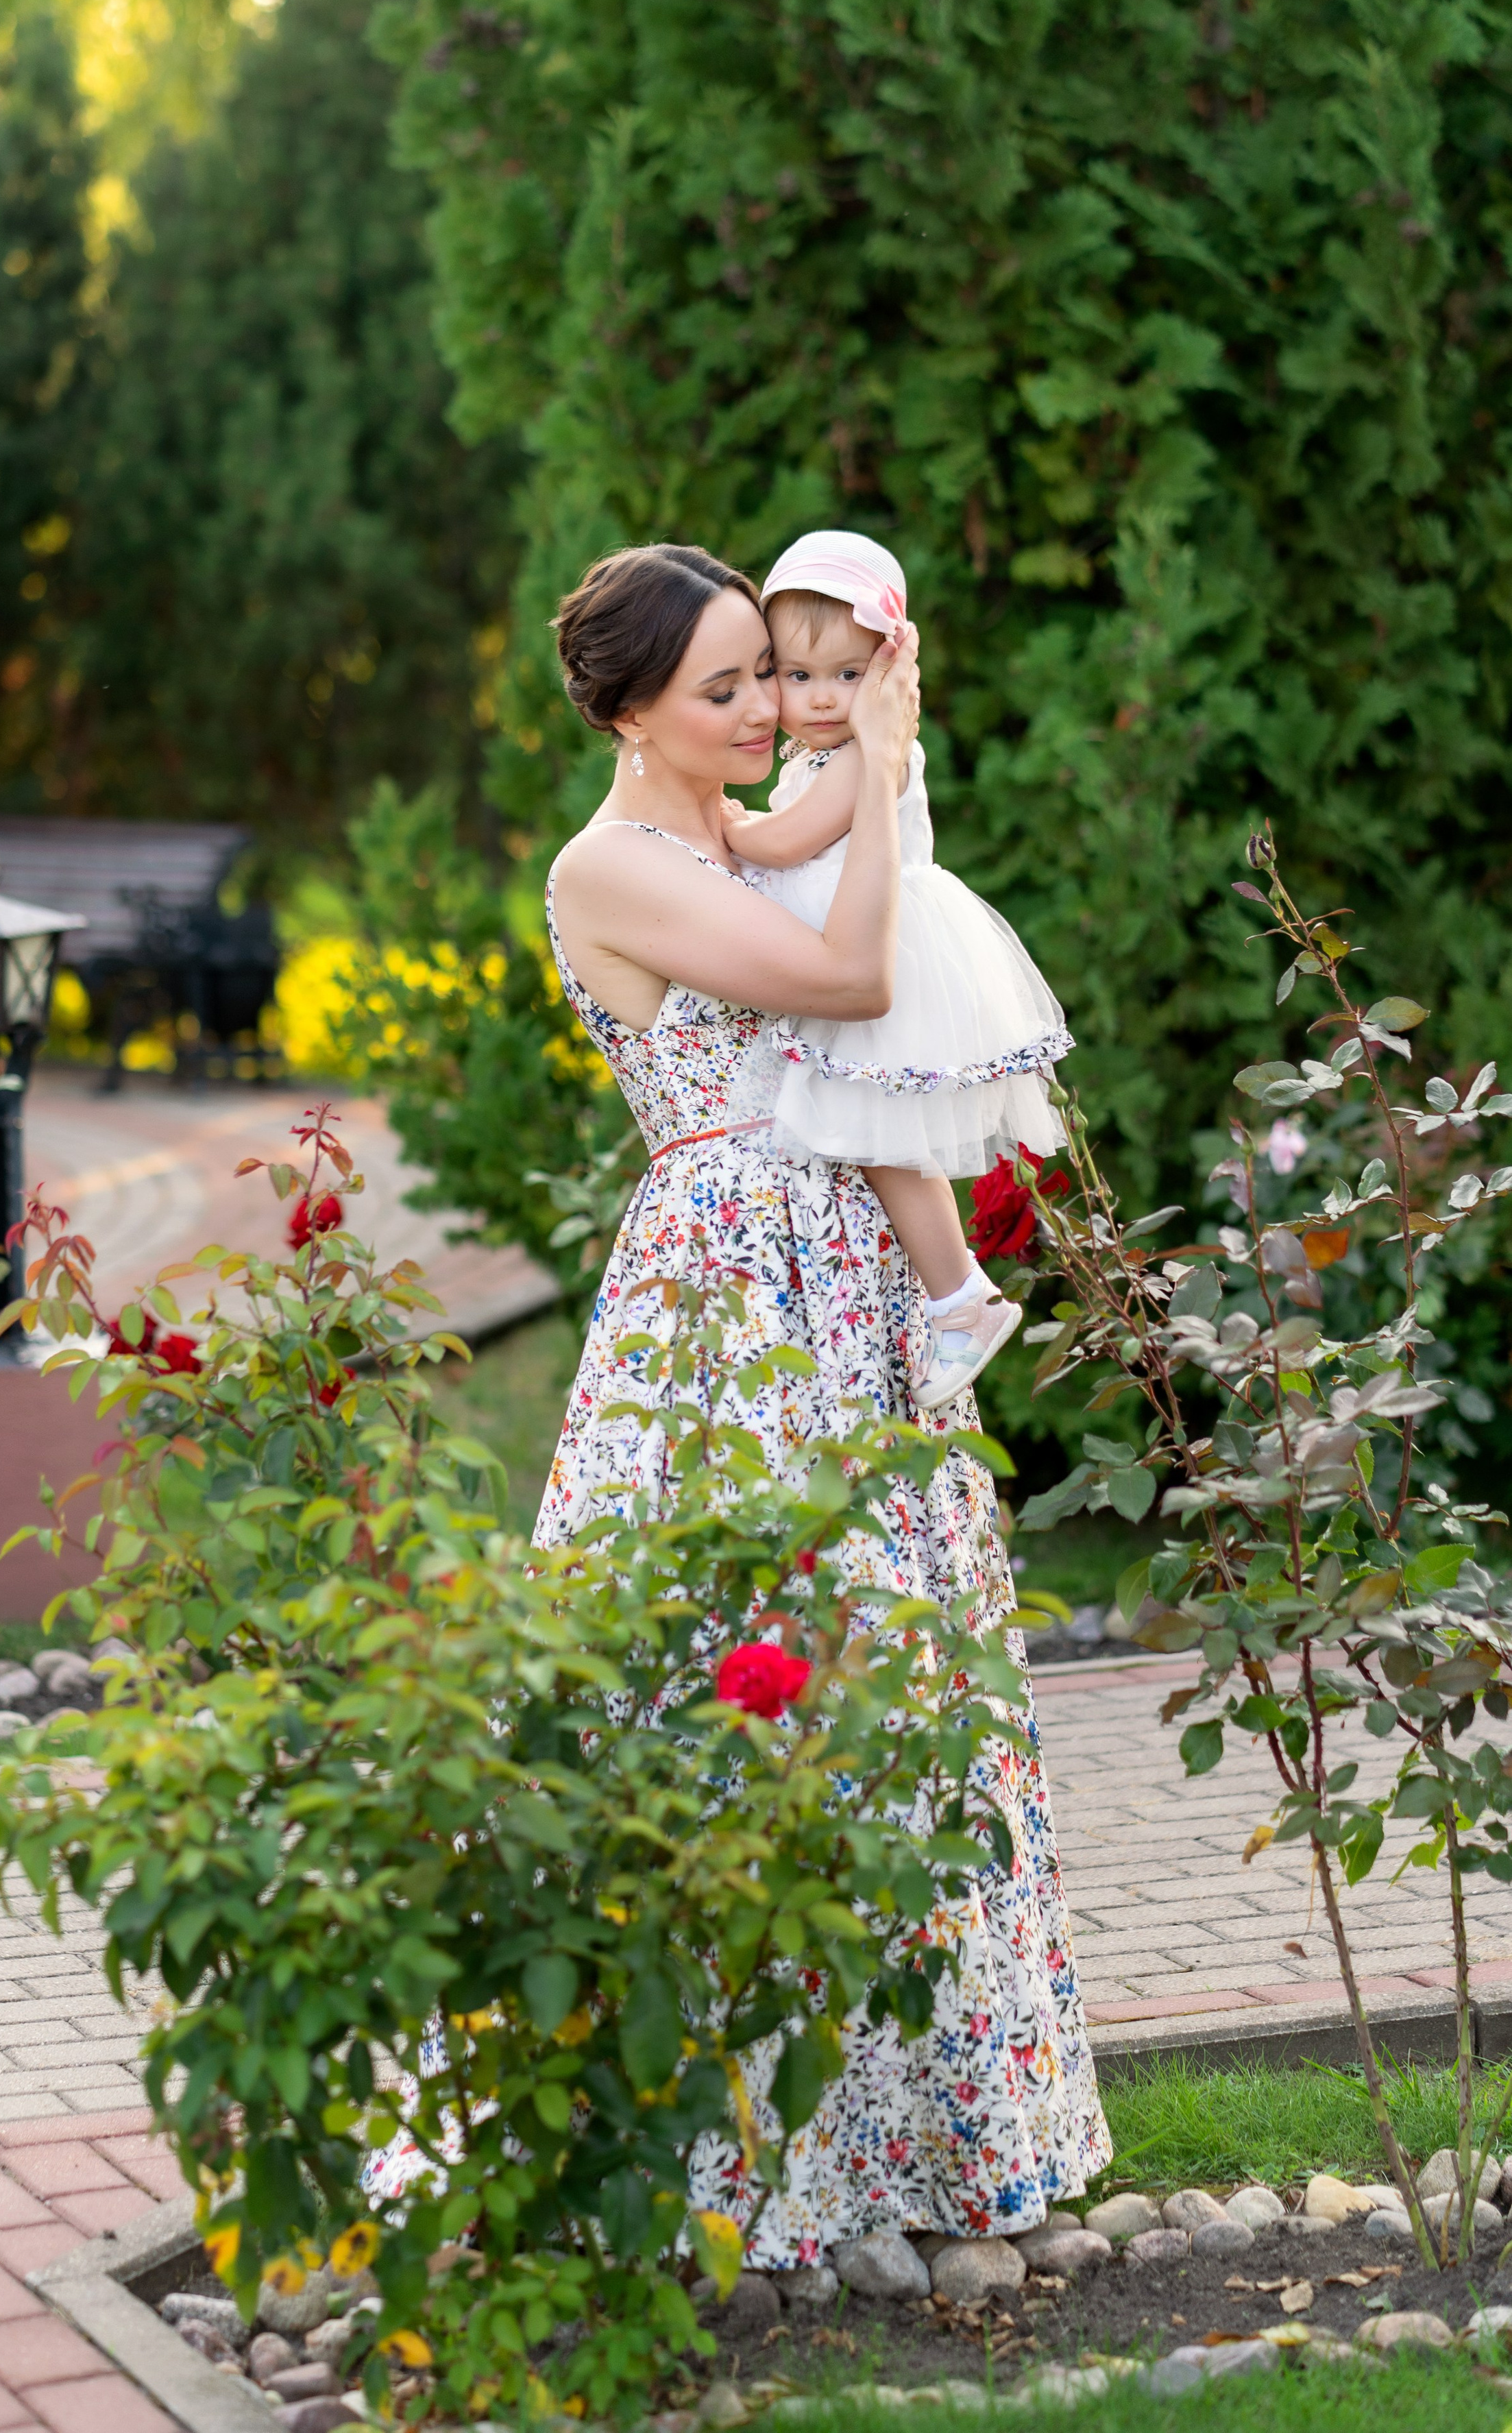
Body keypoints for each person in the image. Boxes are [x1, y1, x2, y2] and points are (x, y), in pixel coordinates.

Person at [537, 542, 1110, 2262]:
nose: (757, 712)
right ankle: (718, 2161)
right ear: (626, 706)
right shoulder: (610, 863)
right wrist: (884, 767)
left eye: (764, 681)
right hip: (729, 1295)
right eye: (719, 688)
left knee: (899, 1662)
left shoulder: (728, 827)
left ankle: (926, 2146)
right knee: (739, 1661)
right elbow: (856, 984)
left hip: (837, 1263)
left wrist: (864, 759)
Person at [719, 529, 1071, 1412]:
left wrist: (718, 827)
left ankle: (963, 1298)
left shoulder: (867, 756)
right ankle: (949, 1297)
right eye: (798, 677)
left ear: (890, 668)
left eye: (849, 674)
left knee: (890, 1150)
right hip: (864, 948)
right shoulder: (823, 759)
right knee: (880, 1151)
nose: (824, 698)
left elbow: (786, 843)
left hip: (889, 958)